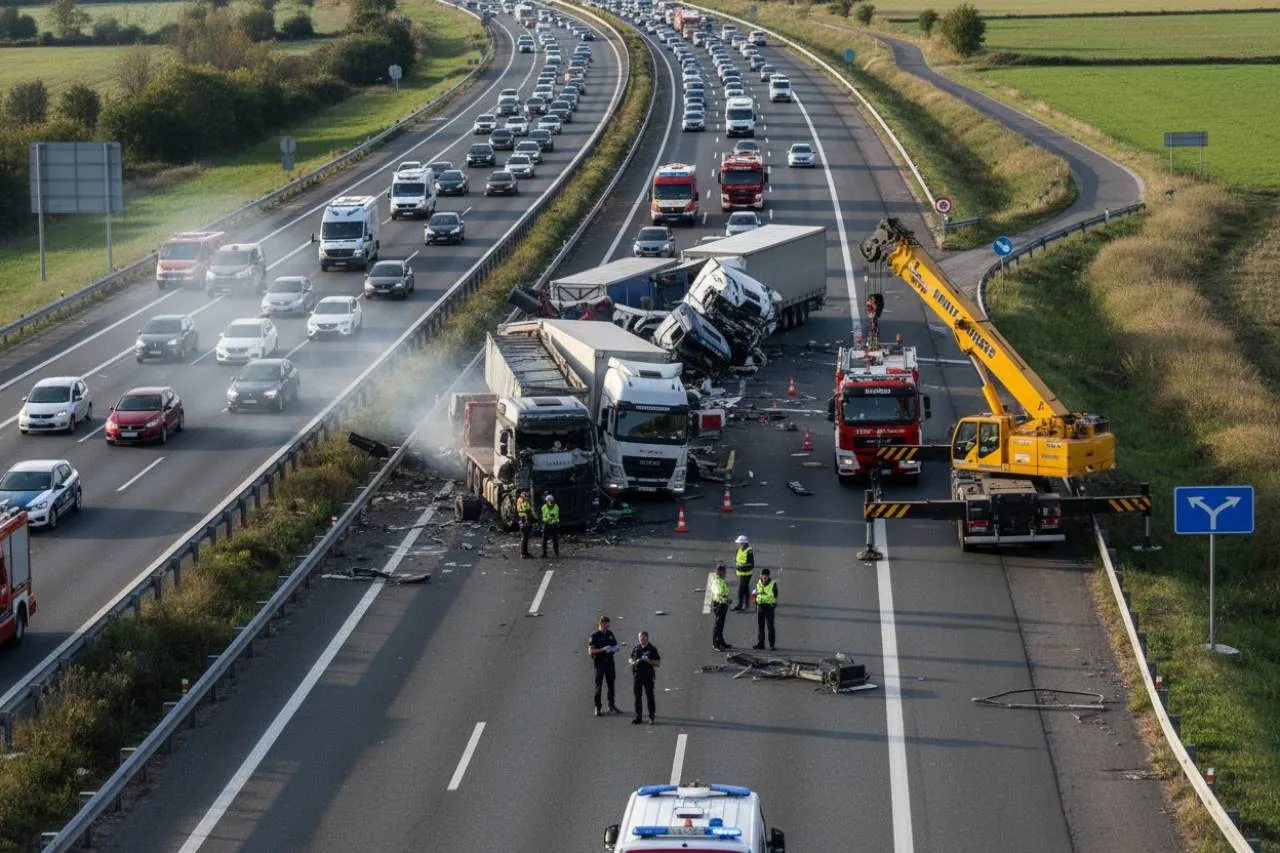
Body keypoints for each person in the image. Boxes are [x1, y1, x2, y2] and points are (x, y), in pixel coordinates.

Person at [588, 616, 622, 716]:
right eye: (607, 624)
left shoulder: (610, 634)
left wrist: (615, 649)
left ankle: (611, 705)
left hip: (610, 662)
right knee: (599, 686)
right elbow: (590, 651)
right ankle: (597, 707)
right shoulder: (594, 636)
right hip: (600, 663)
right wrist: (602, 650)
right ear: (601, 623)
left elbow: (615, 645)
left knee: (611, 684)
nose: (608, 626)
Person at [629, 630, 661, 725]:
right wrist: (631, 662)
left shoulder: (652, 649)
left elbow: (657, 663)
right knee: (637, 697)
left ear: (647, 638)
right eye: (640, 638)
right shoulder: (636, 648)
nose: (641, 639)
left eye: (643, 638)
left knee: (649, 696)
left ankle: (651, 716)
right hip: (637, 675)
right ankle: (638, 717)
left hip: (648, 675)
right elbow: (630, 658)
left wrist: (649, 661)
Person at [753, 568, 778, 651]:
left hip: (769, 607)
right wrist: (755, 599)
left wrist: (762, 596)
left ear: (768, 576)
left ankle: (771, 645)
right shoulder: (759, 583)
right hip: (760, 607)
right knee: (760, 626)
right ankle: (761, 644)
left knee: (770, 626)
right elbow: (756, 593)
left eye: (765, 576)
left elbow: (774, 596)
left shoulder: (773, 584)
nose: (764, 577)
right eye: (762, 575)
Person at [710, 562, 732, 651]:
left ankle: (721, 642)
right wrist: (725, 600)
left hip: (722, 604)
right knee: (718, 625)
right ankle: (715, 644)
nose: (725, 573)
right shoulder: (717, 581)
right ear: (720, 572)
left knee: (721, 624)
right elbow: (719, 594)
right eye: (724, 571)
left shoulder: (721, 580)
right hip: (719, 605)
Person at [732, 535, 754, 611]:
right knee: (745, 588)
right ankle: (746, 605)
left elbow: (751, 564)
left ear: (743, 543)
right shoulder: (738, 550)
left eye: (739, 543)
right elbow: (737, 560)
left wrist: (741, 567)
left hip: (746, 573)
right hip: (740, 573)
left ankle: (740, 605)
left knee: (741, 590)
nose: (738, 544)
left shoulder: (749, 551)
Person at [515, 490, 536, 558]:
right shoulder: (522, 501)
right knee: (524, 537)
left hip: (525, 519)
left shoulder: (524, 501)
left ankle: (525, 552)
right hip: (523, 519)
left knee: (526, 538)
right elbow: (525, 510)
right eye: (527, 496)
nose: (528, 498)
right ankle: (523, 553)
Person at [541, 493, 560, 558]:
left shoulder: (556, 506)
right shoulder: (543, 507)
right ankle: (544, 553)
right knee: (544, 540)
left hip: (554, 525)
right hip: (546, 525)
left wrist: (548, 518)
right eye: (548, 500)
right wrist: (549, 517)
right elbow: (544, 517)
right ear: (546, 501)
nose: (550, 502)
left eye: (551, 500)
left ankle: (556, 553)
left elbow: (555, 516)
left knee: (555, 540)